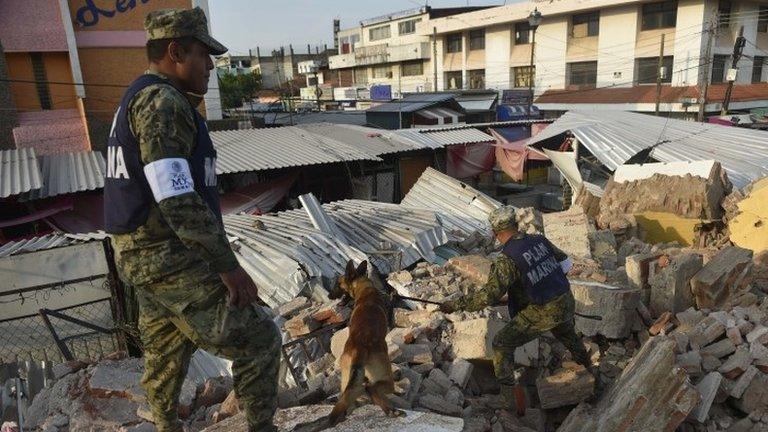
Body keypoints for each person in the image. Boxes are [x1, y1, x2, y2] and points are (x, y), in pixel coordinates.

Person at [103, 8, 280, 432]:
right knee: (259, 338)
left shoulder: (139, 97)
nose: (211, 66)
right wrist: (229, 268)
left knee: (166, 350)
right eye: (203, 54)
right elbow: (177, 198)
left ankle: (165, 426)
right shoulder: (162, 104)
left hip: (144, 257)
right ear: (175, 51)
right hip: (167, 256)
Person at [440, 206, 590, 416]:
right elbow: (565, 263)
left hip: (544, 310)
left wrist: (456, 305)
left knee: (501, 343)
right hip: (565, 300)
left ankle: (509, 400)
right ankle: (590, 370)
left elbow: (488, 297)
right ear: (515, 224)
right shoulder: (539, 240)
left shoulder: (506, 259)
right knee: (567, 334)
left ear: (495, 233)